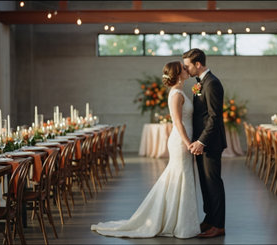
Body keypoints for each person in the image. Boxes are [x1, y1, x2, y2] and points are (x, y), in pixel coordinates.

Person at [91, 61, 200, 239]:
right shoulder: (176, 95)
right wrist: (188, 143)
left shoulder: (181, 92)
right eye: (184, 68)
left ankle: (180, 221)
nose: (187, 70)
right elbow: (178, 123)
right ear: (178, 74)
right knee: (181, 177)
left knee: (183, 178)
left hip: (183, 140)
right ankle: (178, 223)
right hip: (180, 141)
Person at [183, 48, 227, 238]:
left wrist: (201, 141)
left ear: (198, 64)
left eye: (187, 66)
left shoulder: (212, 84)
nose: (186, 69)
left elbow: (214, 118)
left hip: (210, 143)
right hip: (201, 143)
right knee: (205, 183)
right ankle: (209, 219)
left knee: (213, 183)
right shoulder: (201, 83)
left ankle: (218, 225)